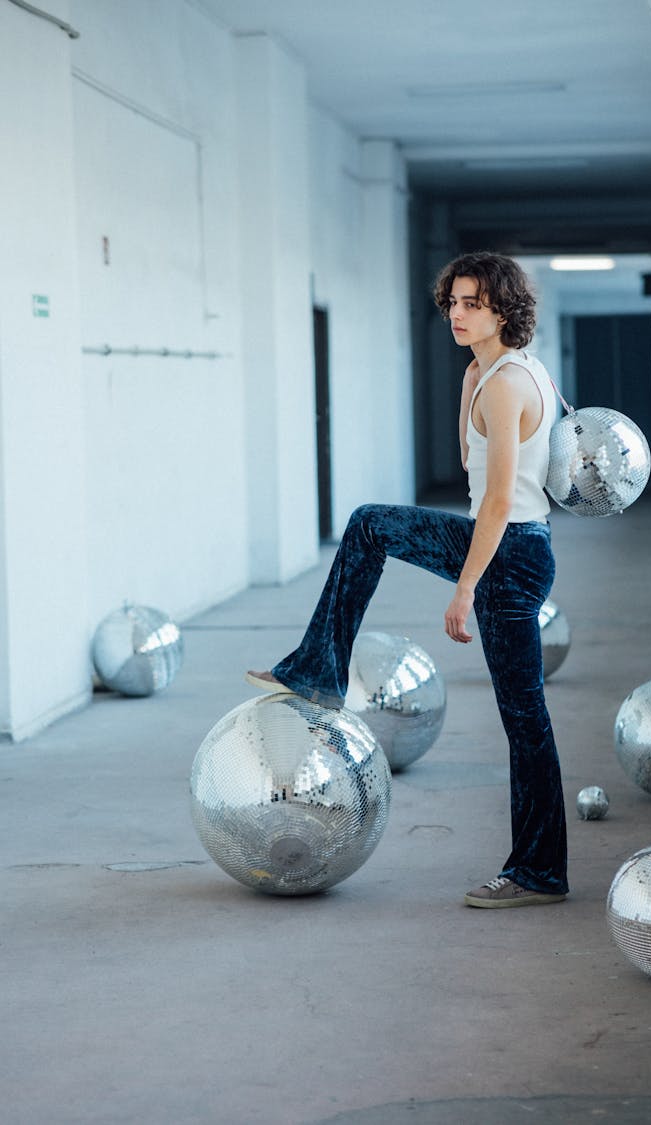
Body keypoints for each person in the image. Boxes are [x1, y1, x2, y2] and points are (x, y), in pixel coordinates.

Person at [246, 250, 568, 908]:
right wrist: (468, 384)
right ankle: (318, 667)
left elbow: (502, 499)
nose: (456, 312)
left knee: (524, 717)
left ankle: (539, 871)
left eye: (472, 302)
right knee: (370, 524)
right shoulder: (483, 374)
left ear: (502, 308)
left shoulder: (507, 382)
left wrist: (464, 586)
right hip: (496, 538)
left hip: (511, 552)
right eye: (452, 301)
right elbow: (472, 472)